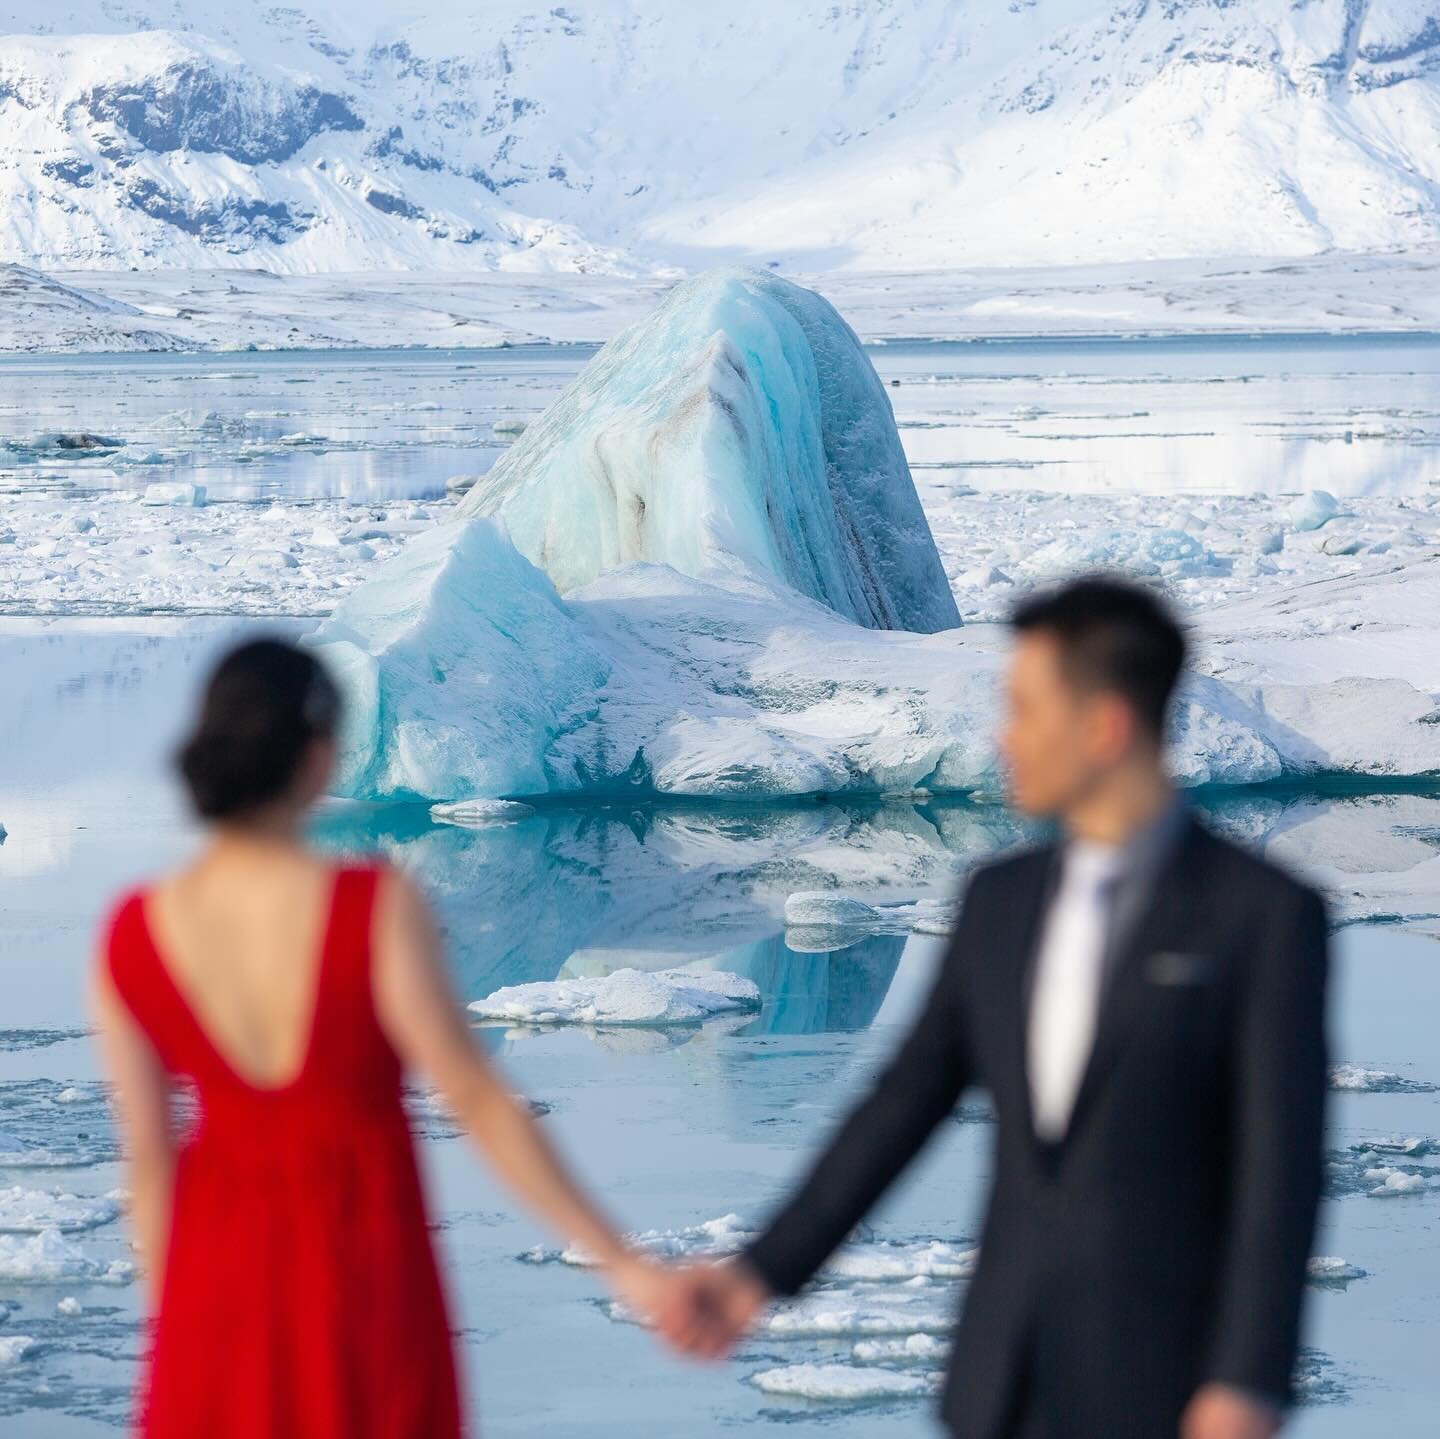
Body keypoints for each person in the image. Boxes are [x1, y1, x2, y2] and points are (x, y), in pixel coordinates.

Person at [664, 575, 1332, 1439]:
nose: (1001, 736)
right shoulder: (998, 901)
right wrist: (759, 1271)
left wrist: (1248, 1379)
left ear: (1104, 726)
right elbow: (901, 1106)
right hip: (1001, 1380)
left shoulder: (1263, 914)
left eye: (1022, 708)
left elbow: (1281, 1170)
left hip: (1173, 1386)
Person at [92, 638, 683, 1438]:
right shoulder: (369, 907)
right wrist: (624, 1264)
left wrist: (188, 1331)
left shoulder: (131, 935)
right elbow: (477, 1098)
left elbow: (150, 1165)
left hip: (213, 1292)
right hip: (362, 1277)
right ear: (318, 755)